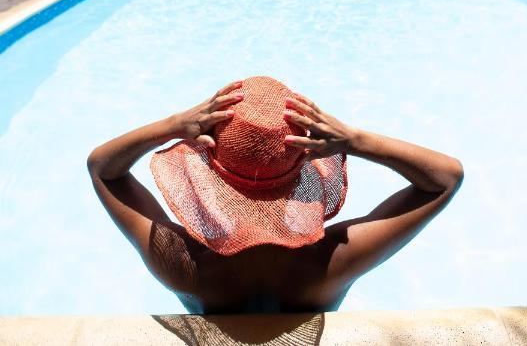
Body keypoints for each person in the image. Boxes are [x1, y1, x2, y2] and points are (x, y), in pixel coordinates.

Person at [87, 76, 463, 313]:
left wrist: (170, 126)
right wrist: (355, 140)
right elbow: (445, 178)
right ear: (306, 164)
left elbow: (103, 170)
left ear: (207, 169)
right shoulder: (331, 262)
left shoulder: (184, 265)